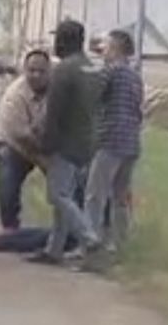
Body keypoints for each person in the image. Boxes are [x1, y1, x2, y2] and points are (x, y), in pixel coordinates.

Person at [29, 19, 102, 265]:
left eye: (57, 38)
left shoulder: (64, 70)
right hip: (87, 141)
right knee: (66, 195)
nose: (55, 43)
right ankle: (54, 249)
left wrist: (45, 144)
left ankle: (88, 235)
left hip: (65, 142)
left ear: (64, 40)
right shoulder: (91, 68)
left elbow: (54, 112)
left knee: (58, 195)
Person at [85, 29, 143, 250]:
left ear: (117, 48)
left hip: (110, 139)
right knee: (121, 195)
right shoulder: (134, 75)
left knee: (95, 195)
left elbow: (92, 94)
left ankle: (90, 240)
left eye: (106, 46)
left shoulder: (111, 71)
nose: (103, 50)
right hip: (131, 141)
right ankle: (121, 242)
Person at [0, 49, 52, 232]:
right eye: (31, 70)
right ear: (24, 71)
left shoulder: (58, 88)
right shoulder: (14, 96)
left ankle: (71, 225)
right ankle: (10, 225)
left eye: (41, 71)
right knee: (9, 178)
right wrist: (45, 160)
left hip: (45, 140)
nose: (36, 75)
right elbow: (23, 137)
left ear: (49, 71)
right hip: (15, 144)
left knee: (68, 179)